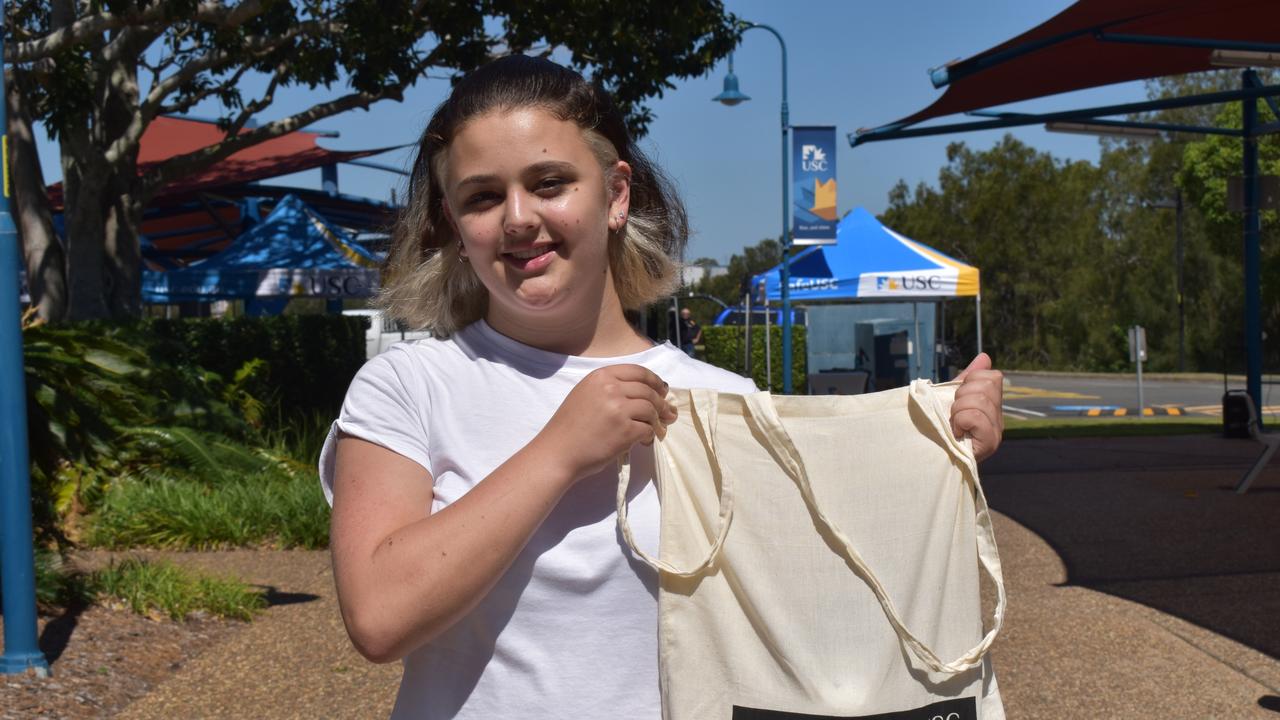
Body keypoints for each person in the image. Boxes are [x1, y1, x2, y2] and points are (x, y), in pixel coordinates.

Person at [320, 55, 1005, 719]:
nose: (518, 217)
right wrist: (558, 452)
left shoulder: (721, 401)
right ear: (451, 222)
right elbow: (379, 619)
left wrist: (932, 450)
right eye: (483, 196)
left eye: (550, 183)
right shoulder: (406, 388)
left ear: (615, 194)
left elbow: (819, 589)